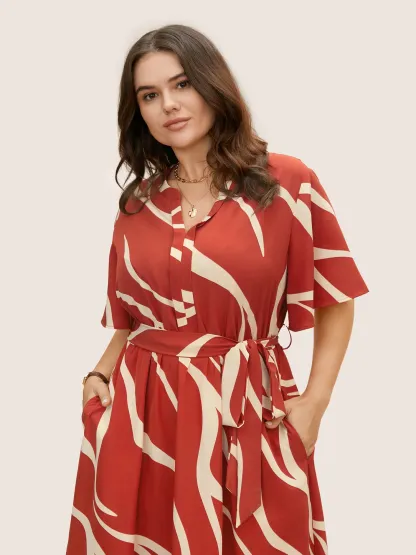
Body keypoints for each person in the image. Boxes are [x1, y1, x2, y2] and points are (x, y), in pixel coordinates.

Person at [65, 23, 369, 555]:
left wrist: (315, 405)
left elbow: (335, 298)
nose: (168, 105)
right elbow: (132, 322)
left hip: (250, 408)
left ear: (212, 84)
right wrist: (97, 377)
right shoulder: (137, 205)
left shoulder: (286, 183)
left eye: (181, 84)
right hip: (143, 420)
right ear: (138, 113)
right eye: (149, 95)